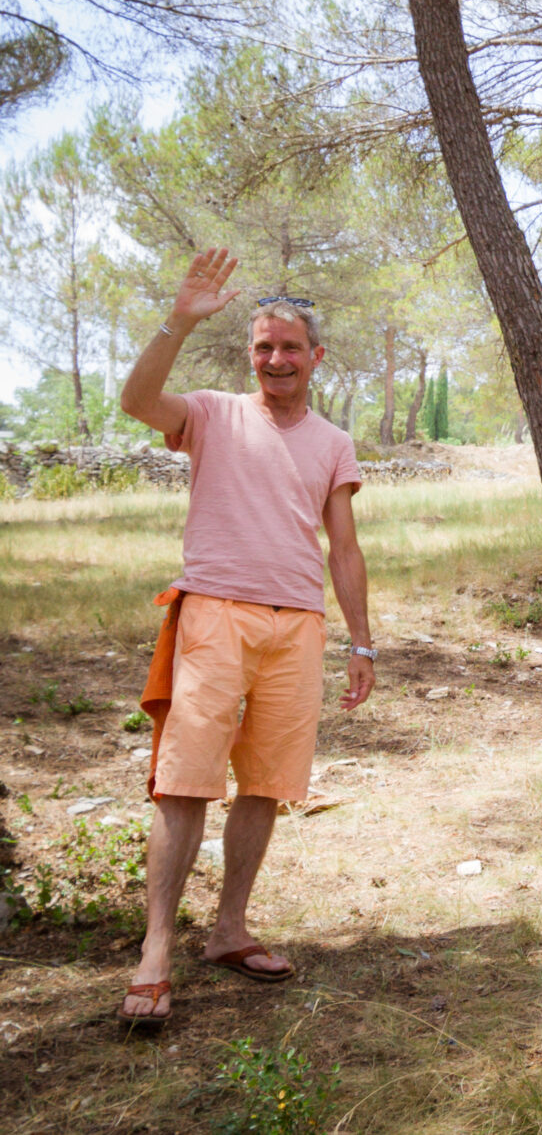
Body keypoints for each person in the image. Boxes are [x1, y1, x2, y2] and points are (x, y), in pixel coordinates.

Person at [113, 250, 375, 1029]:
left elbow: (344, 548)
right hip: (215, 615)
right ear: (248, 355)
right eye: (264, 347)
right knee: (184, 782)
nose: (276, 359)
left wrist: (361, 643)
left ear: (316, 357)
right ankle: (155, 952)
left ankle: (230, 929)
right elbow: (135, 401)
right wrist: (180, 318)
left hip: (298, 626)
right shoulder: (211, 414)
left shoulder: (332, 441)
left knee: (265, 784)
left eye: (290, 347)